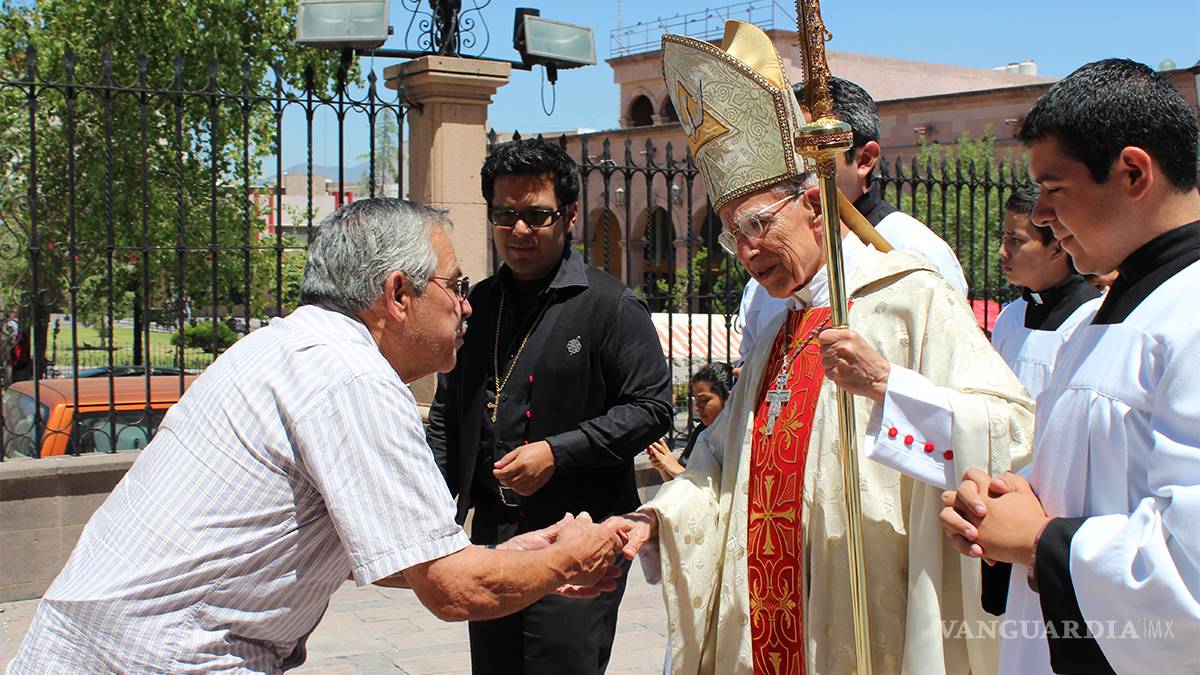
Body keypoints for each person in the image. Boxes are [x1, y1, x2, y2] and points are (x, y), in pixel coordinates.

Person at [7, 198, 623, 673]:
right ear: (398, 294)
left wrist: (522, 555)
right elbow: (452, 591)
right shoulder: (353, 378)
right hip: (158, 656)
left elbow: (403, 557)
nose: (467, 307)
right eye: (456, 286)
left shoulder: (293, 346)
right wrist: (570, 557)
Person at [605, 21, 1034, 674]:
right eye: (731, 234)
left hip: (869, 607)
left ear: (813, 204)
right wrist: (656, 520)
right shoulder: (782, 324)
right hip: (770, 618)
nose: (746, 251)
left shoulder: (908, 294)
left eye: (758, 224)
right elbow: (720, 461)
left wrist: (890, 385)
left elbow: (1011, 427)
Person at [940, 58, 1200, 675]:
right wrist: (1009, 503)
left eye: (1054, 190)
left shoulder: (1189, 317)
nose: (1041, 217)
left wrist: (1038, 541)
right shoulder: (1103, 320)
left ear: (1133, 172)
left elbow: (1189, 570)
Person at [427, 139, 674, 674]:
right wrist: (429, 507)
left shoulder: (611, 306)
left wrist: (557, 453)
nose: (519, 230)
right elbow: (449, 412)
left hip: (580, 533)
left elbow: (652, 408)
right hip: (494, 535)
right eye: (504, 215)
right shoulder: (477, 304)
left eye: (537, 215)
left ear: (569, 214)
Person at [736, 76, 969, 363]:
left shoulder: (916, 250)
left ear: (864, 159)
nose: (792, 170)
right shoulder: (769, 271)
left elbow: (949, 367)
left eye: (811, 153)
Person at [990, 185, 1102, 398]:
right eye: (1004, 238)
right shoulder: (1010, 317)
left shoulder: (1092, 320)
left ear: (1058, 248)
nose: (1002, 252)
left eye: (1016, 240)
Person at [645, 362, 734, 481]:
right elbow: (678, 484)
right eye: (696, 400)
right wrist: (663, 466)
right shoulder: (701, 432)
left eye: (704, 400)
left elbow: (714, 487)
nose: (697, 407)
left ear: (729, 398)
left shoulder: (736, 438)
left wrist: (675, 468)